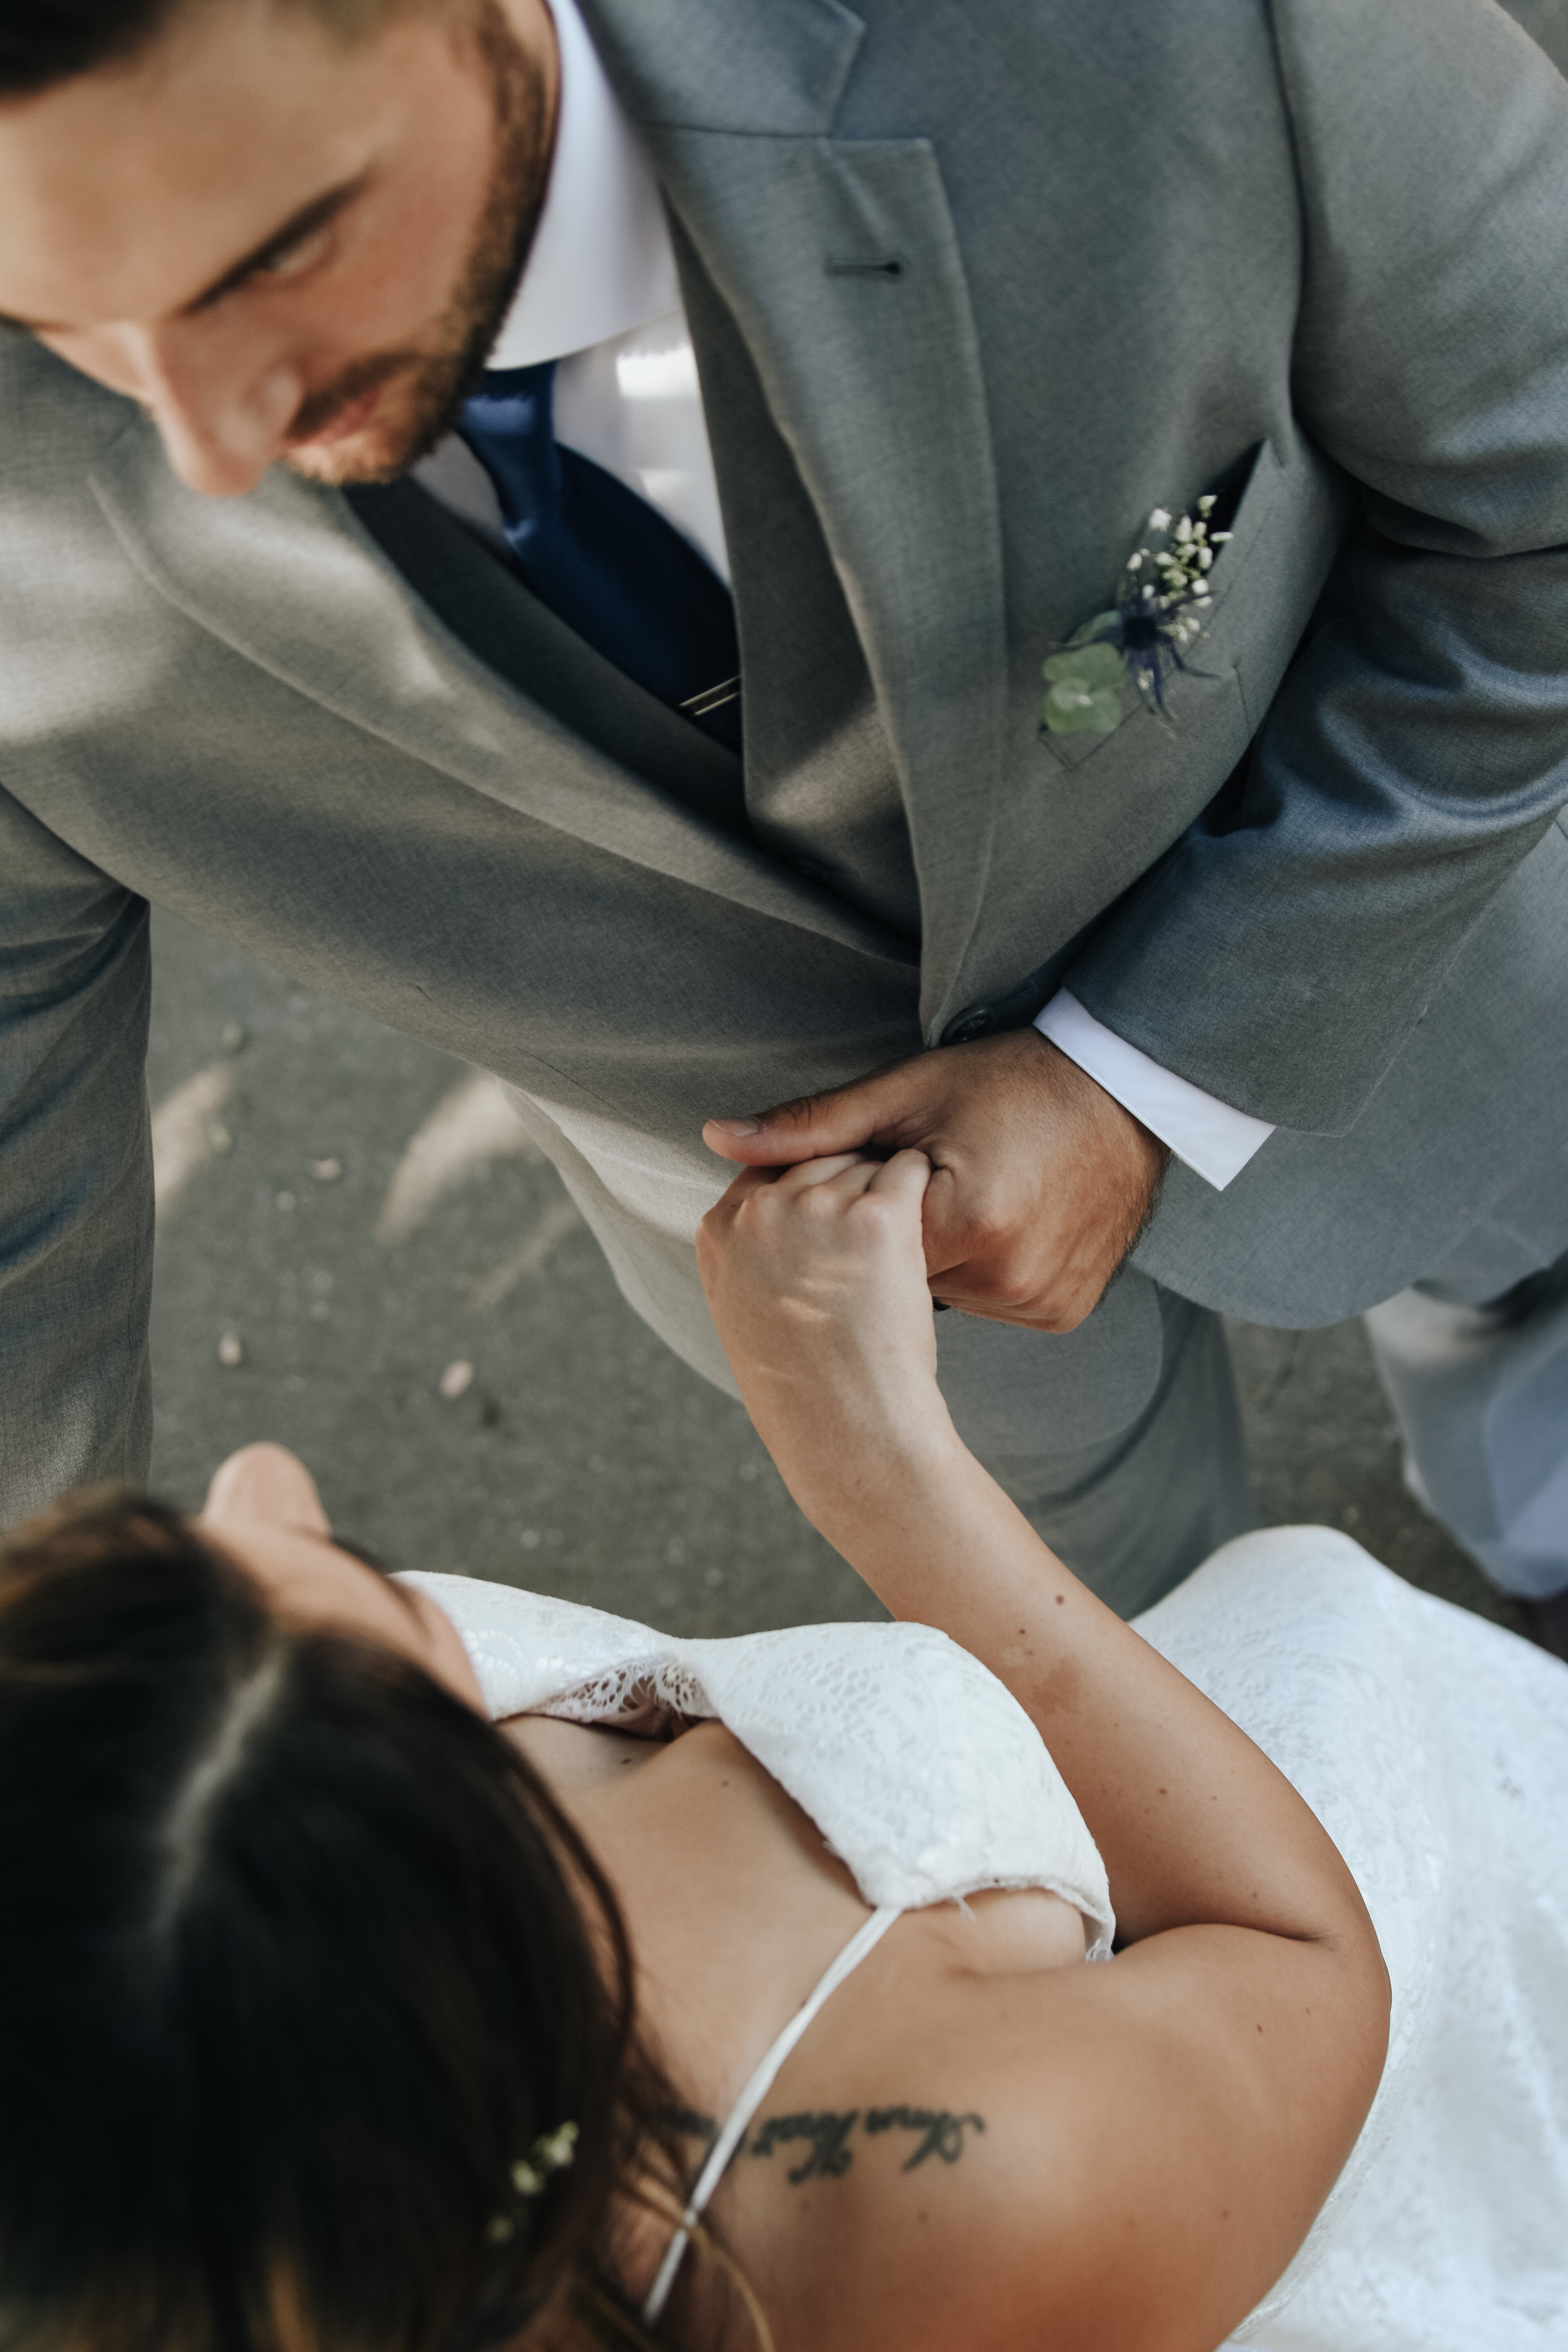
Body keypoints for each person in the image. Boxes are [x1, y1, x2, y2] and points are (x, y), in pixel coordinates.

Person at [4, 0, 1568, 1642]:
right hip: (847, 1281)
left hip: (1410, 965)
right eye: (55, 322)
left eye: (276, 253)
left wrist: (1143, 1075)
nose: (207, 438)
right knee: (1148, 1661)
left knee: (1529, 1278)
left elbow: (1533, 505)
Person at [3, 1150, 1565, 2351]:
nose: (261, 1484)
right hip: (1350, 1975)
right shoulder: (953, 2202)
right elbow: (1298, 1965)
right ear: (415, 1857)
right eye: (281, 1595)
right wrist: (878, 1470)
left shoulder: (225, 2082)